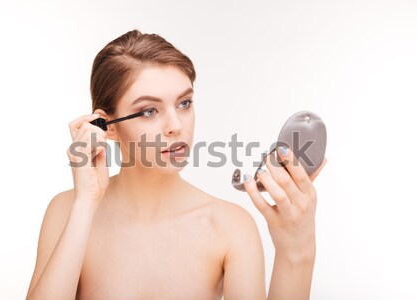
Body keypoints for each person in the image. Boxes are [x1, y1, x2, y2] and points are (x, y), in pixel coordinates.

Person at [25, 29, 327, 300]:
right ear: (107, 126)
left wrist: (295, 251)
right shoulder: (67, 211)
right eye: (148, 111)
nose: (175, 126)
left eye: (184, 103)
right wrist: (85, 204)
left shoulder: (230, 227)